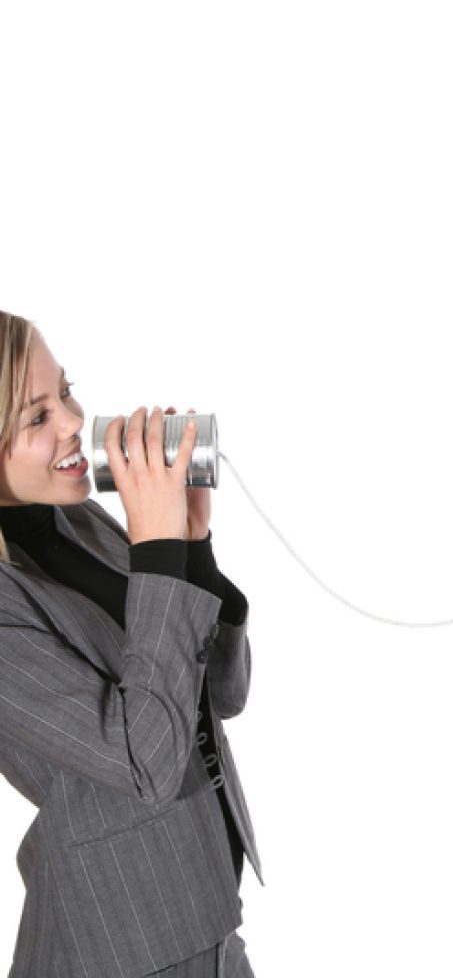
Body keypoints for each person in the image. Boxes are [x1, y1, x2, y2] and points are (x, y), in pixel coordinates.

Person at [0, 311, 260, 977]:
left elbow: (220, 695)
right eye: (37, 416)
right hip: (126, 943)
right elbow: (147, 760)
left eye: (66, 391)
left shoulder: (76, 520)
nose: (72, 422)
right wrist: (157, 551)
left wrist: (190, 550)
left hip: (202, 912)